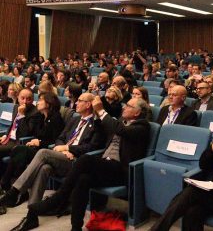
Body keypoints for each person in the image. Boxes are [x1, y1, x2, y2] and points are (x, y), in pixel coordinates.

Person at [19, 97, 150, 231]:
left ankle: (59, 197)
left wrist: (101, 110)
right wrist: (98, 115)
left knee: (85, 159)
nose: (124, 107)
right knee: (82, 180)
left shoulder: (143, 127)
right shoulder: (123, 121)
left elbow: (121, 130)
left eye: (128, 106)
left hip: (121, 170)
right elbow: (104, 128)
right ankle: (76, 227)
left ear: (137, 113)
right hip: (106, 165)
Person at [0, 93, 105, 219]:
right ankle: (32, 215)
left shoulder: (96, 123)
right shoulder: (75, 119)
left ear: (88, 104)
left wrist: (69, 148)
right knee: (44, 168)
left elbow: (93, 147)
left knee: (43, 152)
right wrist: (62, 149)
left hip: (78, 162)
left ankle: (15, 191)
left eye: (80, 100)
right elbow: (60, 137)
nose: (76, 103)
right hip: (62, 156)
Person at [0, 92, 64, 193]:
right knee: (19, 151)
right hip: (34, 147)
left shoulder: (56, 118)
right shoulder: (42, 116)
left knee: (19, 150)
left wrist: (40, 142)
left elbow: (57, 140)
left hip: (45, 151)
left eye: (40, 100)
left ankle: (7, 184)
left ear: (48, 103)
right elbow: (35, 133)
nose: (37, 103)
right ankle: (9, 185)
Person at [0, 89, 42, 180]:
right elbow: (13, 124)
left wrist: (22, 115)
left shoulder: (36, 113)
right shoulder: (16, 107)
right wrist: (5, 135)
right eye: (22, 98)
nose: (25, 102)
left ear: (32, 99)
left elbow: (26, 133)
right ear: (18, 98)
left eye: (28, 99)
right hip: (9, 138)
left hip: (18, 142)